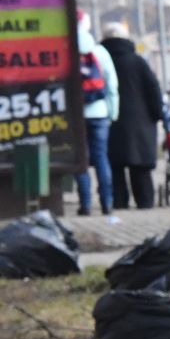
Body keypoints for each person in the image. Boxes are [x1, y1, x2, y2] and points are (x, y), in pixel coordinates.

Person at [100, 23, 164, 211]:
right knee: (140, 167)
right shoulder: (138, 61)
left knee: (115, 166)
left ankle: (119, 202)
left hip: (110, 119)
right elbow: (153, 89)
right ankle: (145, 202)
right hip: (140, 122)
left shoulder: (102, 60)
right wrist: (157, 114)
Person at [73, 12, 121, 214]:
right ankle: (107, 203)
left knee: (80, 160)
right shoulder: (100, 51)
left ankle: (85, 205)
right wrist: (112, 112)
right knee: (101, 157)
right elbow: (111, 84)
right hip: (99, 112)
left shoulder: (66, 50)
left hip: (76, 115)